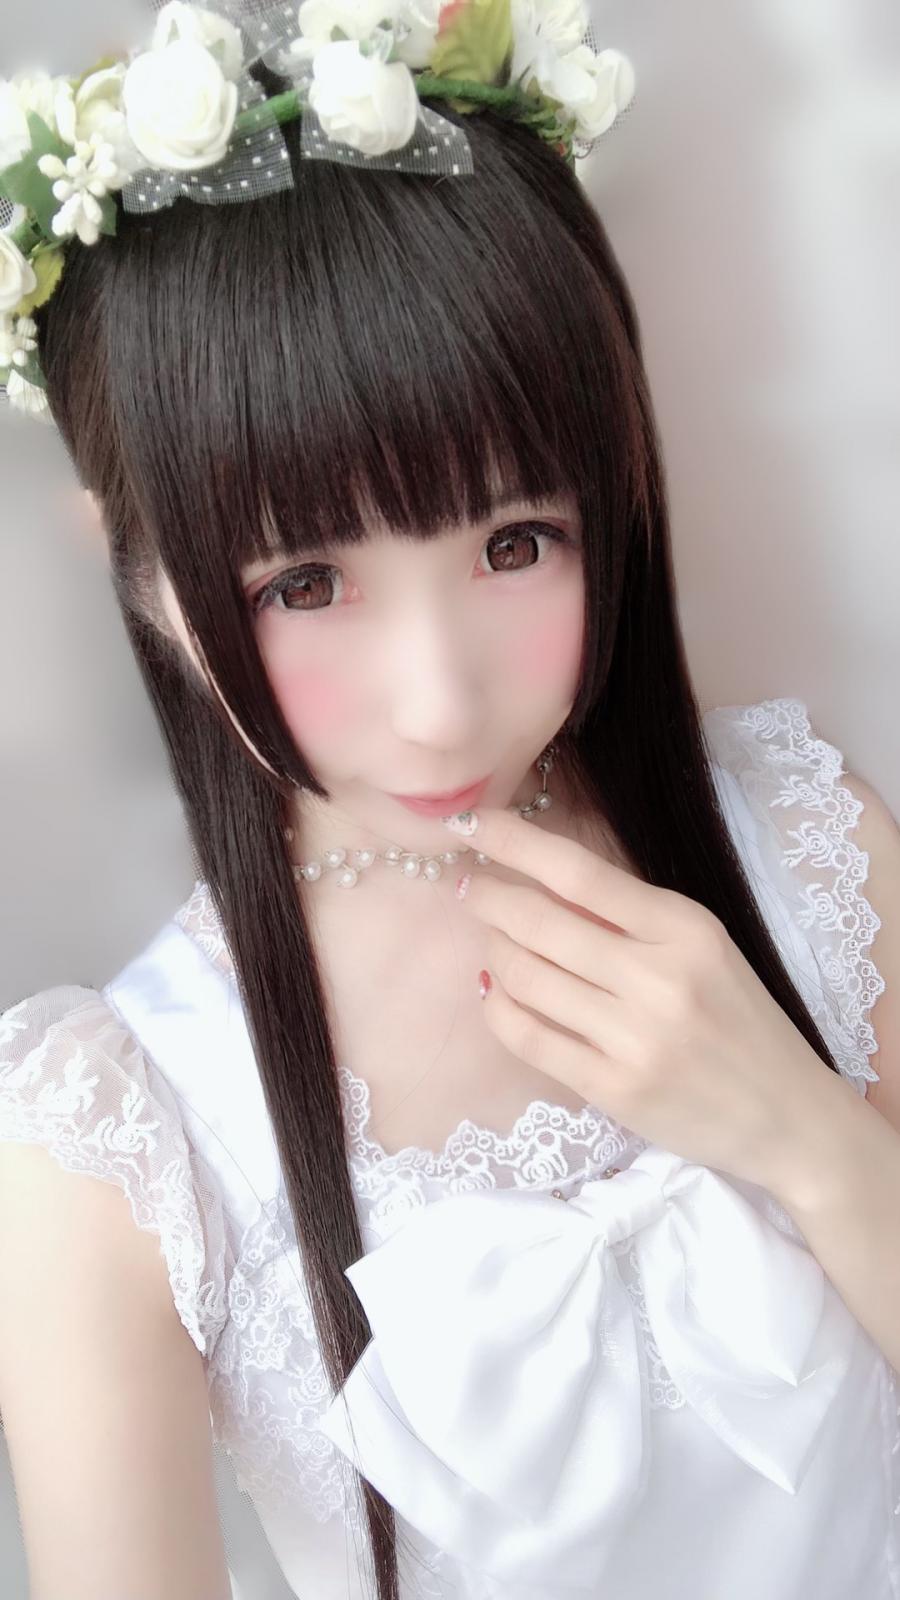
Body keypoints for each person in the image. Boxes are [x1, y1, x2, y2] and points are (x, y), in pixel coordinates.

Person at [0, 4, 897, 1598]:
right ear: (131, 567)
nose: (438, 700)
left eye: (513, 544)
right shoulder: (121, 1140)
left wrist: (806, 1137)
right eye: (305, 582)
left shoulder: (807, 848)